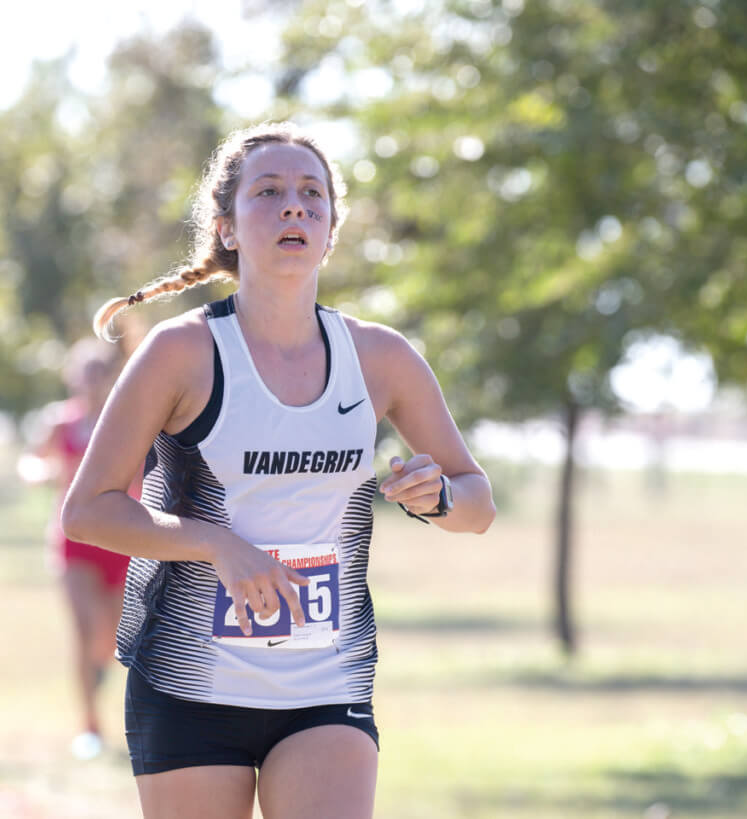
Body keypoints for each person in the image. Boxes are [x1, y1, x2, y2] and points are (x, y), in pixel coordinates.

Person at [61, 121, 495, 819]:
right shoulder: (183, 352)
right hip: (190, 683)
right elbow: (87, 509)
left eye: (311, 195)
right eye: (269, 192)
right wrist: (216, 542)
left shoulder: (381, 358)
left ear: (330, 229)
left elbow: (479, 502)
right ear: (228, 228)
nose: (294, 206)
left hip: (326, 682)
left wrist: (439, 495)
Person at [18, 336, 143, 760]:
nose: (91, 383)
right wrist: (43, 470)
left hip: (122, 540)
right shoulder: (60, 422)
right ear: (73, 378)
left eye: (98, 374)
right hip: (74, 542)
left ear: (111, 378)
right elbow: (32, 460)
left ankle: (98, 672)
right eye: (84, 374)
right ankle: (89, 723)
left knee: (109, 635)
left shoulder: (128, 421)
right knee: (84, 627)